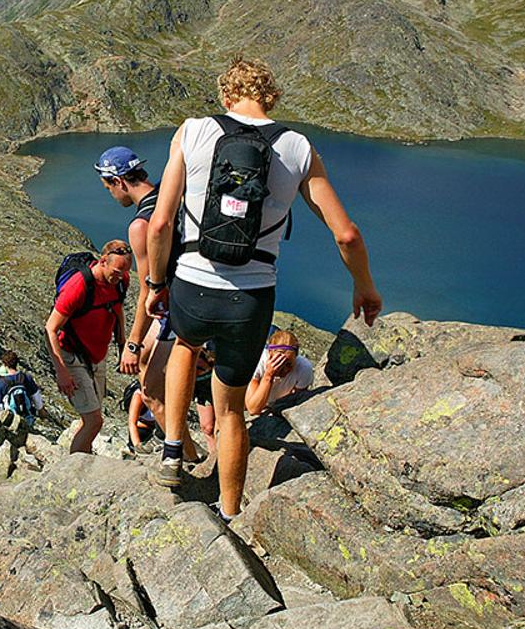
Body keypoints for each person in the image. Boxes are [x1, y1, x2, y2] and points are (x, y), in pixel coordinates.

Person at [146, 57, 381, 523]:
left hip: (192, 280)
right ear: (271, 98)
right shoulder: (297, 148)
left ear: (226, 97)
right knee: (231, 409)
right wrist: (365, 288)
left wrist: (155, 283)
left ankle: (173, 449)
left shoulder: (192, 131)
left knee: (185, 346)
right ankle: (231, 514)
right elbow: (347, 234)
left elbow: (159, 223)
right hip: (251, 297)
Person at [95, 146, 198, 461]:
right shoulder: (176, 195)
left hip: (179, 308)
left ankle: (190, 461)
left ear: (119, 181)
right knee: (145, 367)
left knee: (152, 392)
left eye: (108, 187)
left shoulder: (141, 226)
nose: (111, 195)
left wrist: (133, 343)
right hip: (209, 293)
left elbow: (147, 291)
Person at [46, 240, 132, 454]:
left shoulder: (120, 281)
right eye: (116, 271)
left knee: (94, 417)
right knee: (94, 421)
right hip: (71, 356)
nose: (120, 276)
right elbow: (50, 329)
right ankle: (74, 472)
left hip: (97, 357)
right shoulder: (79, 285)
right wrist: (61, 372)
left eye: (125, 271)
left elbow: (117, 310)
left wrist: (124, 348)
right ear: (102, 261)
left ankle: (82, 455)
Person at [246, 329, 315, 415]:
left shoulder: (304, 368)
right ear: (269, 354)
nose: (284, 370)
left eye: (288, 364)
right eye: (279, 363)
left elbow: (297, 399)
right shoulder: (258, 362)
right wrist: (268, 375)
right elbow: (253, 409)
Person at [0, 351, 44, 429]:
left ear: (4, 365)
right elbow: (36, 397)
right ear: (17, 363)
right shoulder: (26, 377)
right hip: (28, 418)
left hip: (11, 421)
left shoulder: (0, 383)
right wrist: (41, 412)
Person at [126, 383, 163, 451]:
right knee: (140, 433)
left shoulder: (166, 393)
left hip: (159, 426)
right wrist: (138, 447)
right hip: (144, 426)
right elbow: (132, 423)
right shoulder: (139, 396)